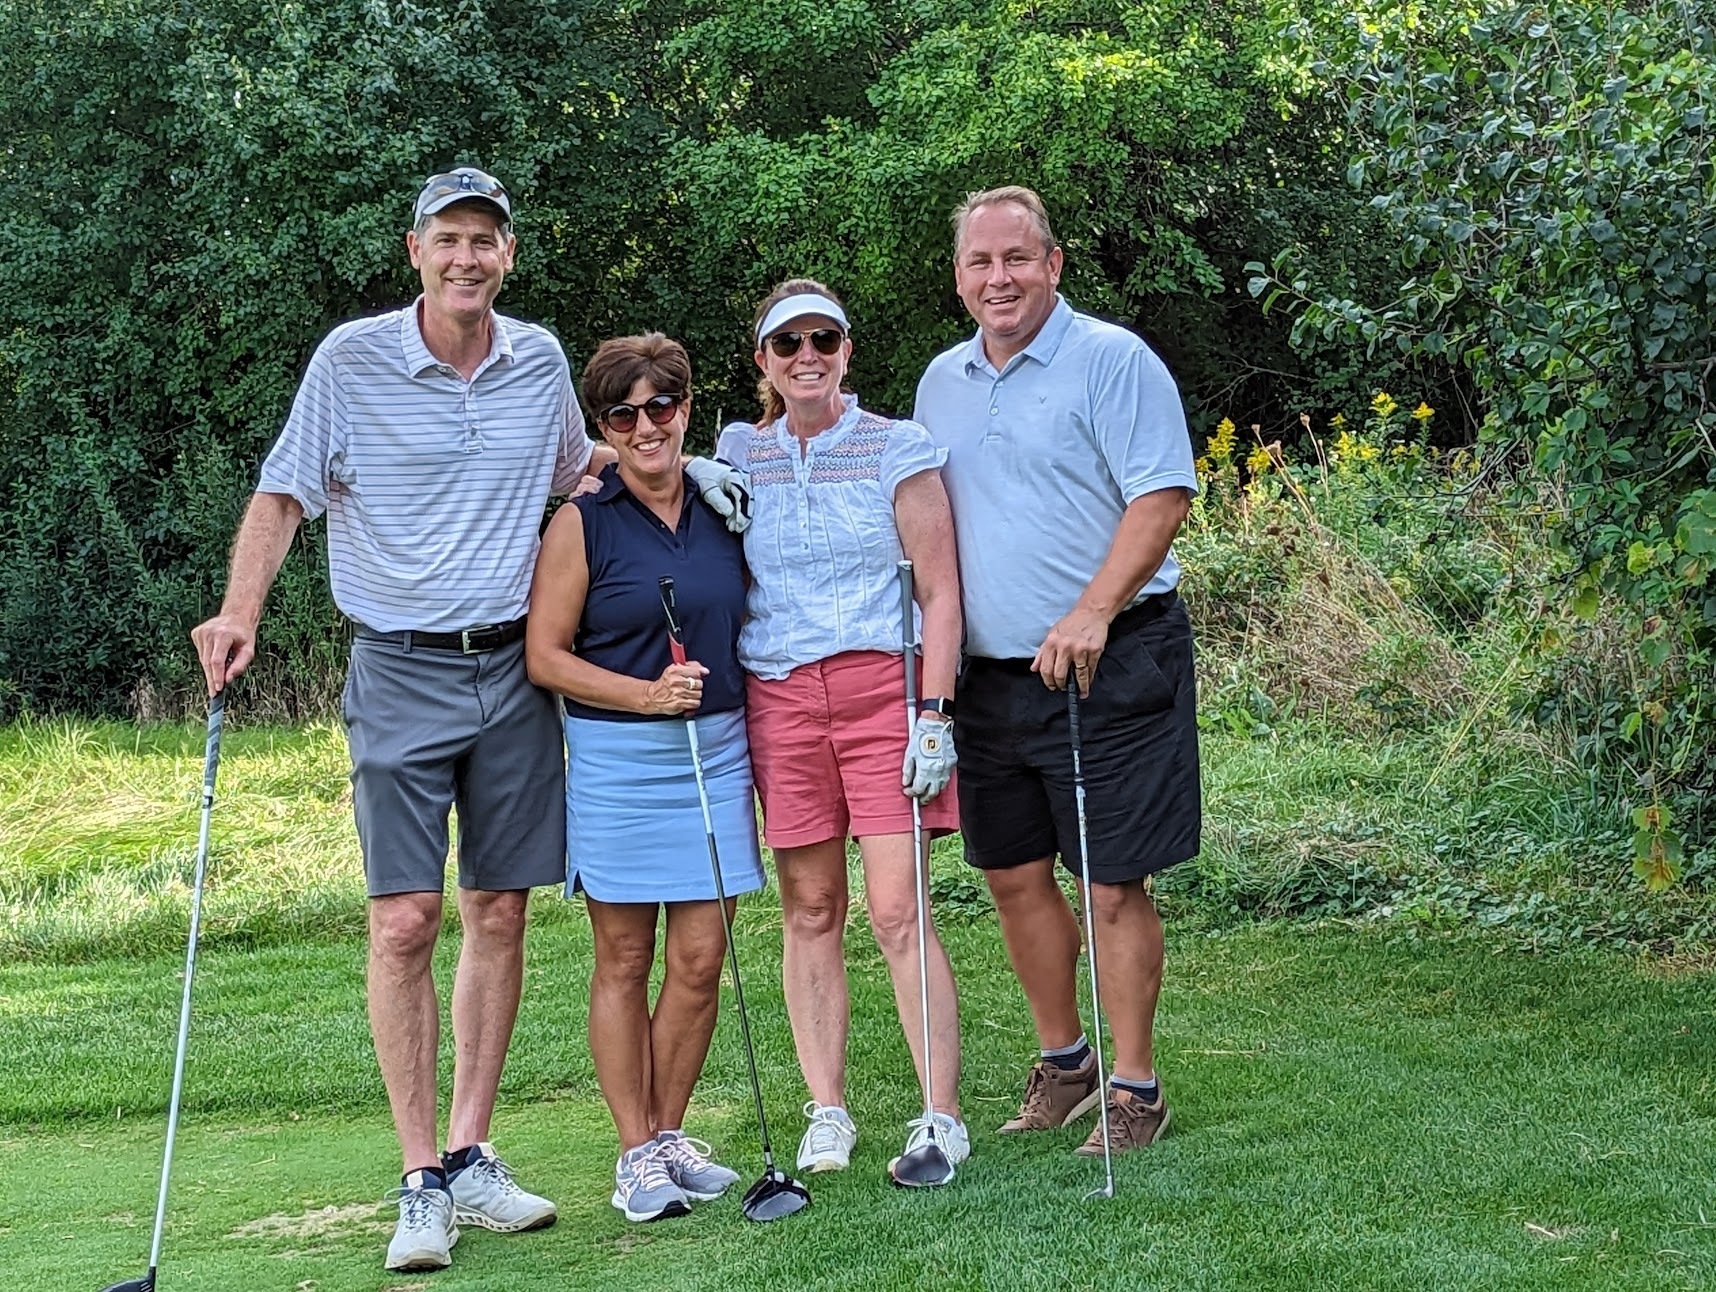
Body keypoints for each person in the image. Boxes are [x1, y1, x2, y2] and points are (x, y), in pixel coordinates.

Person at [188, 168, 750, 1271]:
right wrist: (239, 610)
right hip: (399, 667)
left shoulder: (536, 360)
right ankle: (418, 1180)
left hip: (512, 672)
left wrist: (696, 471)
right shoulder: (350, 359)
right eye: (448, 238)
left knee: (498, 910)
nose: (466, 257)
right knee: (405, 920)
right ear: (416, 250)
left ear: (507, 254)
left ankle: (470, 1152)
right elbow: (284, 492)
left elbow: (583, 466)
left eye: (484, 240)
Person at [912, 185, 1201, 1158]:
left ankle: (1136, 1087)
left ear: (1054, 263)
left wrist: (1093, 609)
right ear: (959, 277)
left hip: (1110, 663)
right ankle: (1067, 1061)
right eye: (980, 262)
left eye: (1016, 258)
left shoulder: (1112, 360)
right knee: (1011, 874)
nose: (998, 278)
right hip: (991, 679)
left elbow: (1162, 496)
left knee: (1112, 880)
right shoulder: (941, 382)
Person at [715, 279, 967, 1183]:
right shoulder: (738, 452)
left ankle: (940, 1116)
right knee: (811, 909)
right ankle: (827, 1110)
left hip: (881, 691)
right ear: (764, 361)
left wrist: (934, 713)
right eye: (788, 344)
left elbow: (941, 592)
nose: (807, 357)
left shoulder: (896, 446)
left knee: (898, 910)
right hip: (781, 698)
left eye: (824, 339)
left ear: (847, 350)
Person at [526, 332, 765, 1223]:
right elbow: (545, 657)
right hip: (620, 763)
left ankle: (667, 1134)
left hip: (718, 749)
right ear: (604, 427)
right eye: (622, 415)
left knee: (701, 959)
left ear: (685, 409)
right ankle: (634, 1151)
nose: (645, 426)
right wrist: (644, 696)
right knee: (625, 959)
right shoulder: (583, 521)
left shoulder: (723, 505)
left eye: (660, 406)